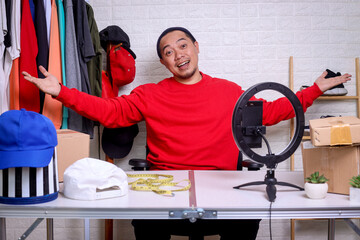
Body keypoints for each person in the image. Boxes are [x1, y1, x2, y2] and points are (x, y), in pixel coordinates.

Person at [23, 27, 351, 240]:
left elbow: (273, 112)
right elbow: (110, 111)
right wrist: (61, 91)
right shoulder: (150, 94)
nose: (178, 54)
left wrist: (315, 90)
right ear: (165, 62)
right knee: (145, 223)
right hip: (164, 188)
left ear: (196, 47)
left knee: (247, 220)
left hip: (223, 187)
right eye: (168, 51)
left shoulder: (229, 92)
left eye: (182, 45)